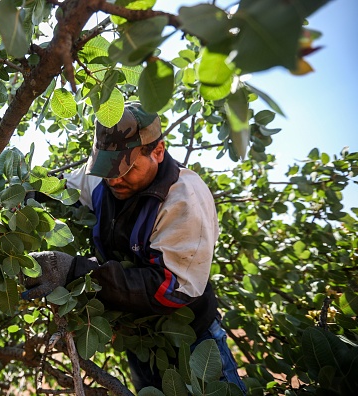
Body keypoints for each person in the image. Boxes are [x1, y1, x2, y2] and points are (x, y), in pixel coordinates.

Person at [22, 102, 247, 394]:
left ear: (158, 151)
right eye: (106, 167)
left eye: (126, 168)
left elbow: (169, 290)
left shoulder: (183, 200)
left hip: (192, 343)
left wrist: (74, 271)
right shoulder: (102, 178)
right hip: (140, 343)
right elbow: (62, 190)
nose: (114, 178)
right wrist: (21, 193)